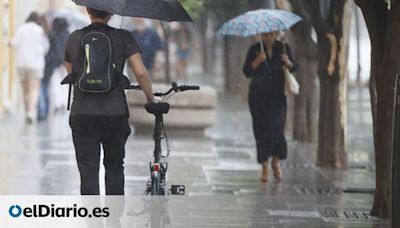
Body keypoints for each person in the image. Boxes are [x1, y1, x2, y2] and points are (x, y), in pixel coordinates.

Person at [64, 8, 154, 195]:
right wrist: (150, 98)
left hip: (82, 112)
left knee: (88, 170)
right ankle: (114, 216)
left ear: (88, 10)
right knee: (114, 165)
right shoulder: (124, 37)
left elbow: (71, 72)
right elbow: (140, 72)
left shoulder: (74, 37)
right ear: (111, 13)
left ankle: (93, 219)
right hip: (114, 112)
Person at [242, 32, 298, 182]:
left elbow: (294, 67)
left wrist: (288, 62)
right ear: (261, 35)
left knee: (277, 128)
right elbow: (247, 71)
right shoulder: (254, 49)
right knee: (260, 130)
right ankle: (265, 166)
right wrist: (257, 61)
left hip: (277, 96)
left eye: (271, 34)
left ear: (276, 34)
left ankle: (276, 161)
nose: (268, 37)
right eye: (265, 35)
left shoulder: (284, 48)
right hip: (257, 96)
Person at [10, 12, 49, 124]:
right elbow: (46, 47)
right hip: (35, 64)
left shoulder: (21, 28)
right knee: (34, 89)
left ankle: (27, 110)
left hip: (21, 63)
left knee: (25, 90)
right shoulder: (40, 30)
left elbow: (13, 43)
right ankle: (31, 112)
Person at [38, 17, 70, 121]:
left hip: (53, 62)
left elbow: (51, 49)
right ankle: (64, 102)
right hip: (65, 62)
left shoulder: (52, 34)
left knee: (55, 83)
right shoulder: (68, 34)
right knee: (65, 84)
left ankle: (58, 103)